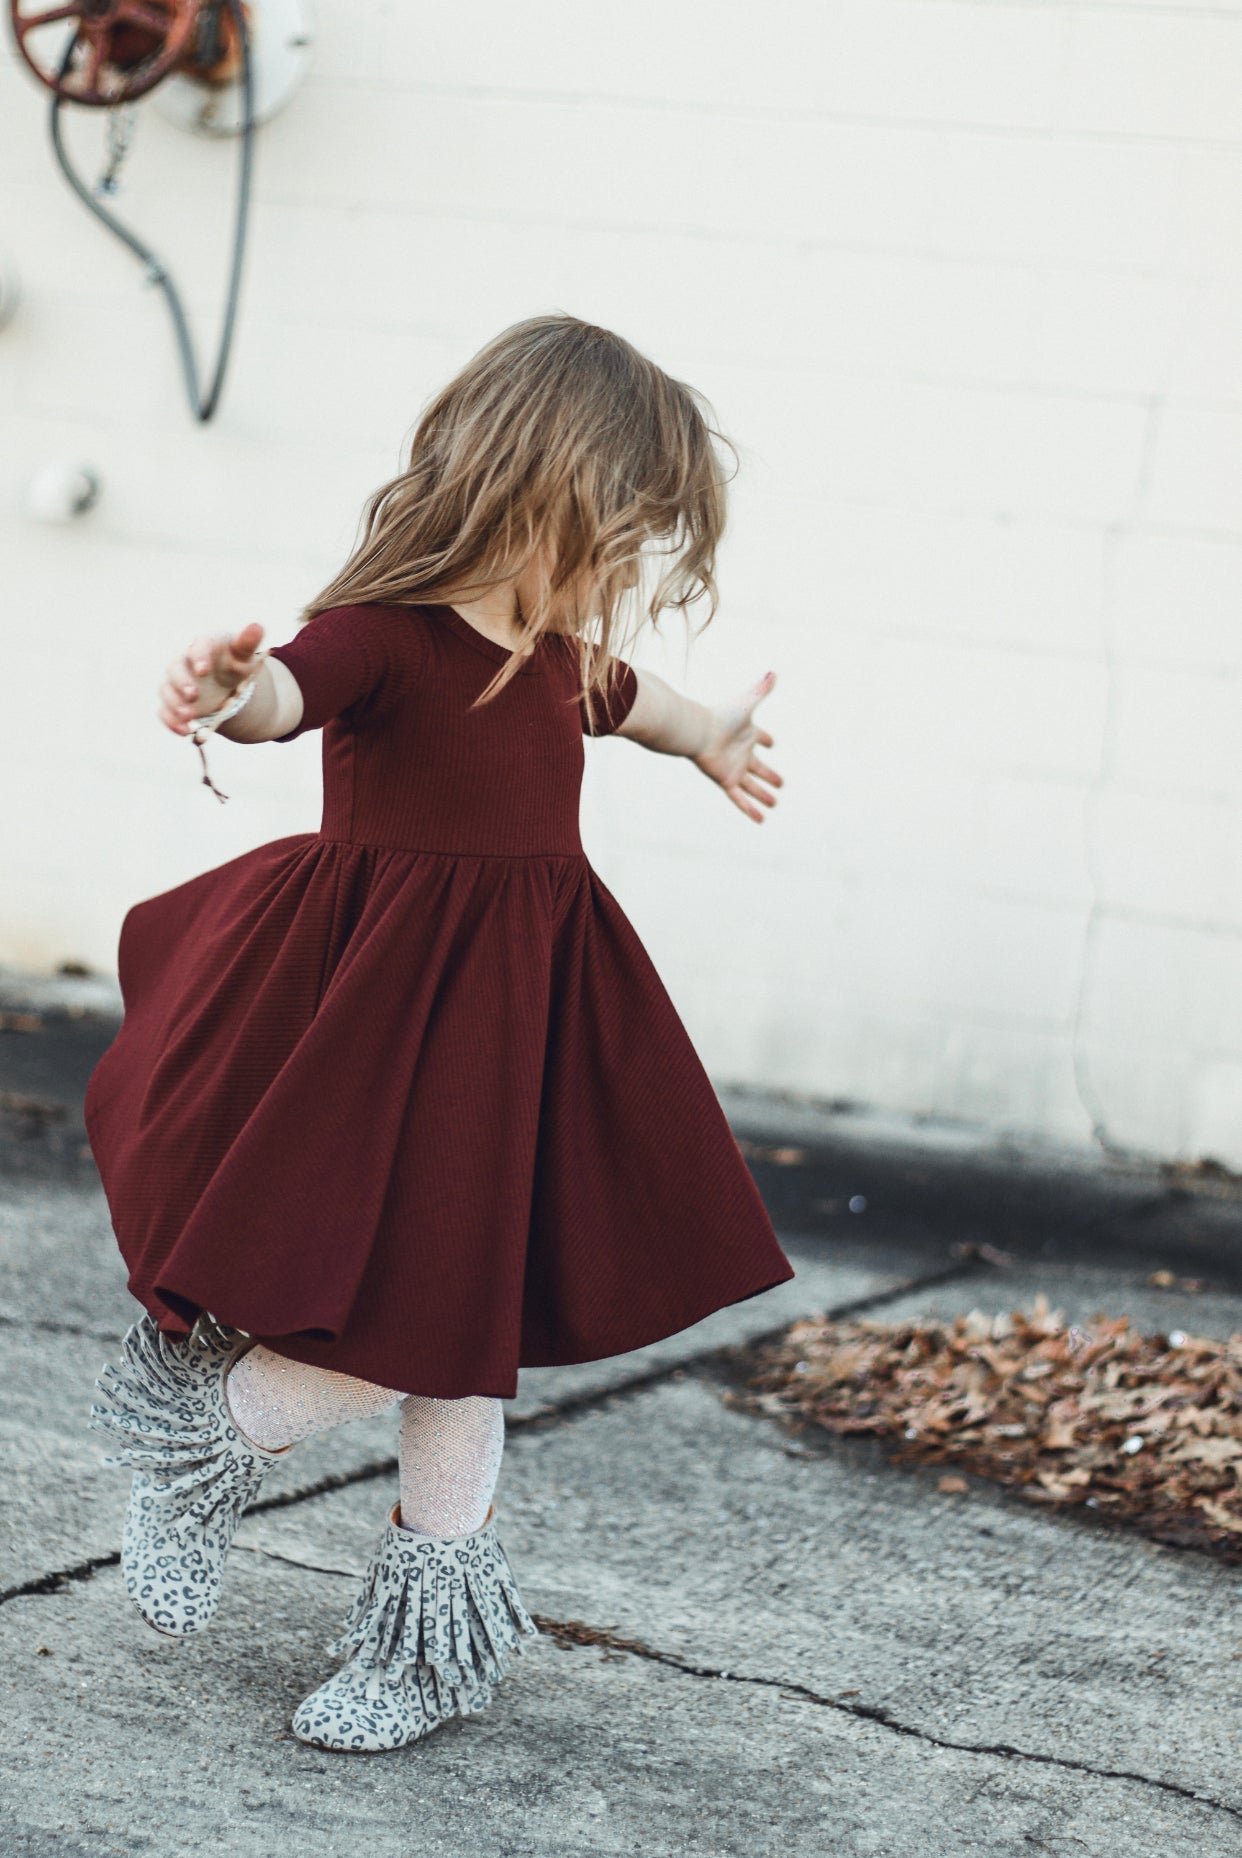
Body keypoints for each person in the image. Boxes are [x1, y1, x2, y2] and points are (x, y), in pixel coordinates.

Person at [85, 314, 794, 1754]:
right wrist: (226, 693)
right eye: (611, 529)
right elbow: (286, 692)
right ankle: (209, 1431)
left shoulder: (548, 657)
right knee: (422, 1307)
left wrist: (712, 729)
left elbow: (638, 702)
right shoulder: (388, 640)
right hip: (375, 1018)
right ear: (530, 486)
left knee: (472, 1330)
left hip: (515, 1026)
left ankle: (424, 1646)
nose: (618, 566)